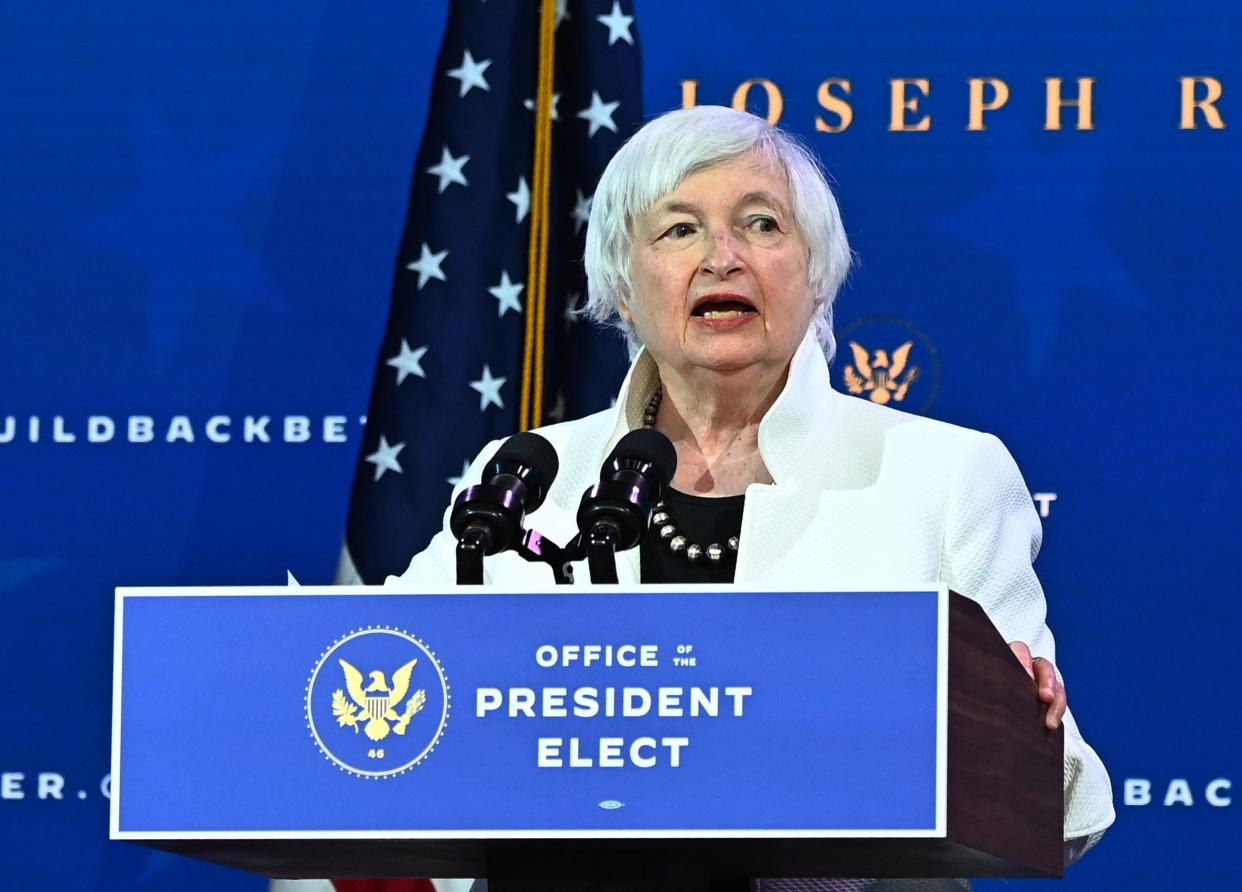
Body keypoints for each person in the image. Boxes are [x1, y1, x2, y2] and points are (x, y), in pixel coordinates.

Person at [391, 105, 1115, 885]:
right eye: (678, 230)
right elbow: (386, 691)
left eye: (762, 224)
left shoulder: (943, 475)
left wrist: (1016, 726)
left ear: (816, 275)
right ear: (623, 289)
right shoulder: (527, 478)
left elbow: (1061, 802)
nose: (722, 258)